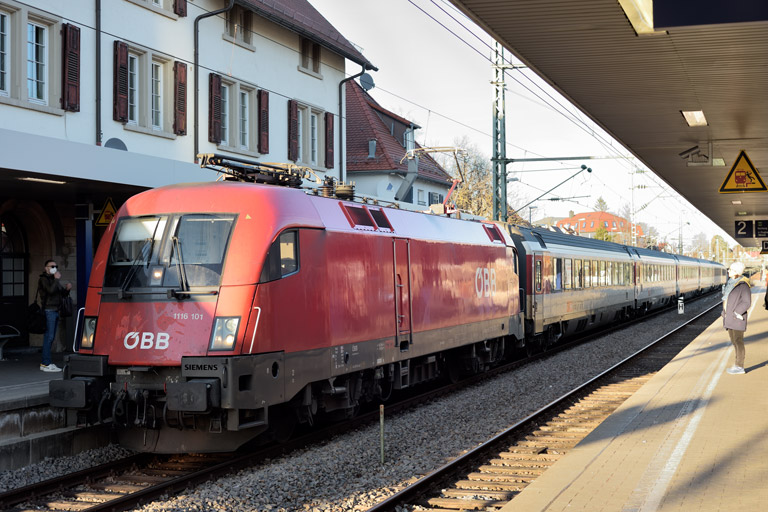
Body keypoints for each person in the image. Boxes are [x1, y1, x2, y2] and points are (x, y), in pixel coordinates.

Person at [36, 259, 72, 372]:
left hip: (56, 310)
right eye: (51, 266)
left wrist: (67, 289)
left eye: (55, 266)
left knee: (50, 336)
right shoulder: (43, 279)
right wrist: (56, 280)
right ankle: (45, 363)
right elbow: (50, 291)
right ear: (46, 268)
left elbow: (61, 293)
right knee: (49, 337)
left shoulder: (53, 279)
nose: (54, 268)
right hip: (49, 310)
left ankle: (47, 362)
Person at [722, 261, 751, 375]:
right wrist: (724, 312)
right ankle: (737, 365)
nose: (728, 271)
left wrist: (736, 312)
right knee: (734, 341)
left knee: (738, 341)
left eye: (731, 270)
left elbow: (746, 302)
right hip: (729, 318)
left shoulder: (743, 285)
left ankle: (739, 366)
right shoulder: (731, 283)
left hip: (737, 318)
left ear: (736, 272)